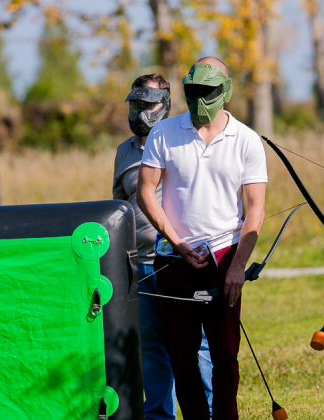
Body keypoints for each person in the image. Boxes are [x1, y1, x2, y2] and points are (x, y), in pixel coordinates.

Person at [137, 57, 267, 420]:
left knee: (225, 354)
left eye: (208, 92)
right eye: (192, 92)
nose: (200, 99)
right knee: (181, 353)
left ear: (225, 91)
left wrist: (237, 266)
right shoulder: (164, 133)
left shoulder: (246, 140)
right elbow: (146, 191)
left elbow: (255, 208)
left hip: (224, 258)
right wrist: (176, 240)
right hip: (173, 258)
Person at [113, 74, 213, 420]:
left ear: (166, 105)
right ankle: (159, 416)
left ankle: (208, 412)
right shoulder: (123, 152)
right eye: (135, 104)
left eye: (148, 104)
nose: (140, 111)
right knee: (152, 348)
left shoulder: (178, 139)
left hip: (178, 260)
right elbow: (118, 209)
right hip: (139, 264)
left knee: (194, 344)